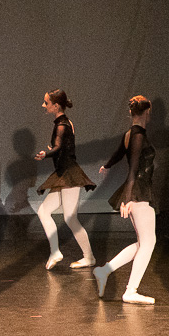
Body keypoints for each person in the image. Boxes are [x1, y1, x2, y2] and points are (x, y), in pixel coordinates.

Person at [93, 96, 158, 305]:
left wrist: (107, 165)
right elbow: (133, 168)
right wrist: (128, 198)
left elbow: (119, 153)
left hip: (137, 191)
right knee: (148, 242)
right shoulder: (137, 136)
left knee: (143, 243)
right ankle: (131, 291)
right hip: (138, 191)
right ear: (147, 112)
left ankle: (105, 270)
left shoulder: (130, 134)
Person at [33, 88, 97, 270]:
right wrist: (53, 152)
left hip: (69, 176)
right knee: (44, 211)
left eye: (46, 102)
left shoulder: (62, 126)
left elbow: (58, 147)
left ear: (56, 106)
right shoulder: (65, 123)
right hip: (64, 175)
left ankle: (88, 257)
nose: (43, 105)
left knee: (69, 218)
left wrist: (46, 153)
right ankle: (56, 251)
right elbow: (61, 148)